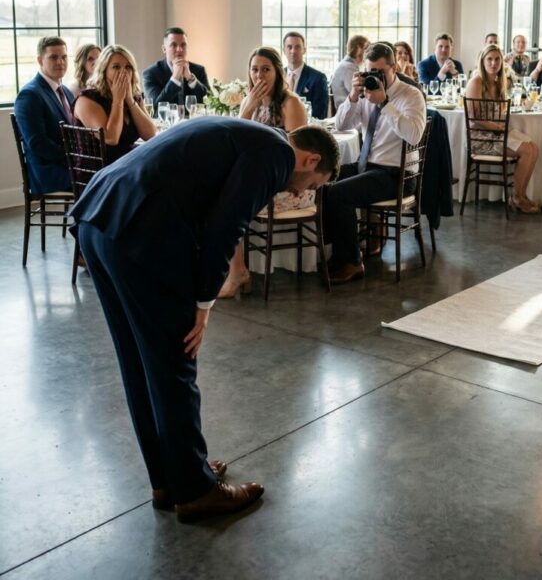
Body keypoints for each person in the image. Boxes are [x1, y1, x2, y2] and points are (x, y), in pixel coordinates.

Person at [70, 119, 339, 522]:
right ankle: (195, 492)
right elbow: (226, 227)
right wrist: (204, 302)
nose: (304, 192)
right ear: (312, 159)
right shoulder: (277, 156)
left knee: (139, 360)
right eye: (315, 183)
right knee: (175, 360)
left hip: (101, 216)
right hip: (140, 228)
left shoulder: (249, 135)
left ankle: (170, 477)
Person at [326, 42, 426, 283]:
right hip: (367, 167)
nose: (374, 77)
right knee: (323, 178)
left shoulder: (411, 95)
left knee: (338, 193)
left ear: (393, 68)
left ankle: (352, 262)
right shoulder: (364, 92)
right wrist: (353, 96)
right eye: (370, 71)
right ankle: (337, 251)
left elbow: (414, 135)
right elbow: (341, 125)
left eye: (379, 72)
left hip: (398, 175)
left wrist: (384, 104)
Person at [218, 46, 310, 298]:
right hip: (257, 175)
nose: (259, 76)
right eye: (255, 69)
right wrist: (246, 110)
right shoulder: (252, 103)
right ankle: (224, 268)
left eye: (266, 70)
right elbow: (234, 143)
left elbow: (296, 157)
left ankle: (238, 273)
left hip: (287, 179)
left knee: (233, 199)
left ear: (278, 73)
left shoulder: (291, 104)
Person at [464, 44, 540, 213]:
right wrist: (497, 127)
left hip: (497, 133)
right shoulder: (476, 82)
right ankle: (517, 198)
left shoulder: (499, 83)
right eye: (489, 59)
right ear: (482, 62)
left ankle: (520, 195)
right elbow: (473, 118)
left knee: (534, 148)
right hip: (482, 139)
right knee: (527, 151)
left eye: (497, 59)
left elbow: (500, 112)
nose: (493, 63)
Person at [73, 45, 157, 164]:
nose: (123, 72)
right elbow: (111, 138)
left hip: (127, 163)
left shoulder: (134, 97)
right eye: (116, 67)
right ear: (104, 70)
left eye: (128, 67)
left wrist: (129, 99)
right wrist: (118, 100)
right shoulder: (86, 100)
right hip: (100, 170)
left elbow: (150, 135)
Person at [14, 36, 76, 194]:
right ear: (40, 60)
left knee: (112, 171)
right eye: (53, 57)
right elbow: (38, 143)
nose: (60, 62)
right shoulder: (29, 94)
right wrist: (73, 159)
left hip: (70, 164)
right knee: (104, 178)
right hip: (49, 172)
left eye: (63, 57)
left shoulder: (66, 92)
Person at [143, 27, 210, 112]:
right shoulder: (150, 73)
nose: (179, 49)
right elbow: (155, 109)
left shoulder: (199, 70)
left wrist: (190, 79)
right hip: (166, 124)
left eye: (183, 45)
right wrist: (174, 79)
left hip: (194, 123)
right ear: (164, 49)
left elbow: (210, 103)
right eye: (173, 45)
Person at [283, 31, 329, 120]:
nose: (293, 51)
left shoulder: (318, 78)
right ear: (284, 50)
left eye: (297, 47)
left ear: (304, 50)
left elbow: (319, 115)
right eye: (289, 47)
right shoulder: (277, 76)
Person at [331, 35, 369, 113]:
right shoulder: (349, 68)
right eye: (366, 48)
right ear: (359, 49)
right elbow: (359, 94)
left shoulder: (345, 64)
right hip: (348, 112)